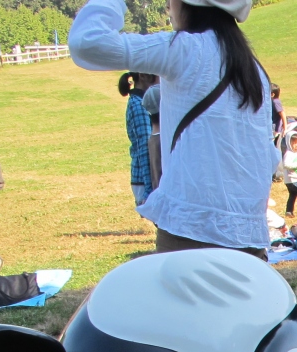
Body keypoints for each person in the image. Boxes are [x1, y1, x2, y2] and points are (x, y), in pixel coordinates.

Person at [69, 0, 281, 257]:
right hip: (250, 236)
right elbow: (269, 157)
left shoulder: (186, 49)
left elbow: (87, 43)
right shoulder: (255, 70)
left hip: (191, 234)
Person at [119, 72, 153, 205]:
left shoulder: (145, 101)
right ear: (143, 76)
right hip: (144, 180)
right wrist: (149, 190)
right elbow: (145, 147)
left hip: (148, 179)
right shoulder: (139, 105)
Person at [279, 130, 297, 215]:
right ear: (288, 143)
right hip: (292, 179)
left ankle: (289, 211)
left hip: (292, 180)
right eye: (294, 143)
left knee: (293, 195)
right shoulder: (289, 154)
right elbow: (286, 164)